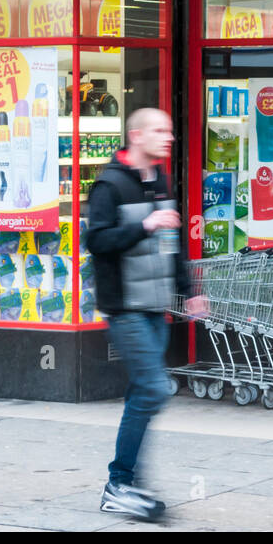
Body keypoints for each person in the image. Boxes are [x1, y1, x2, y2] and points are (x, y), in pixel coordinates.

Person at [85, 108, 206, 522]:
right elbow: (96, 240)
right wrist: (146, 226)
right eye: (159, 131)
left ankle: (122, 484)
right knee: (154, 389)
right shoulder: (109, 184)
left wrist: (189, 292)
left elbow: (172, 242)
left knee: (143, 394)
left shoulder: (160, 181)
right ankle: (121, 484)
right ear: (136, 135)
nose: (168, 137)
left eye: (170, 130)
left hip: (156, 308)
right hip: (125, 309)